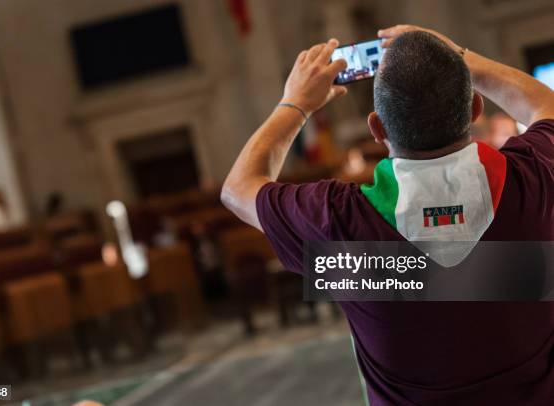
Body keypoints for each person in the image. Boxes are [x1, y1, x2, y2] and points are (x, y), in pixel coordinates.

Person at [221, 25, 554, 405]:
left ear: (377, 128)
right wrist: (464, 59)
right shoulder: (534, 180)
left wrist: (295, 104)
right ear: (475, 108)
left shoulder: (339, 224)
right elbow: (545, 107)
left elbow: (237, 190)